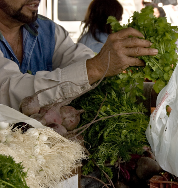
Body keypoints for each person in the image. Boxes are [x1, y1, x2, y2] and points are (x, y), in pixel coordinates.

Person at [0, 0, 158, 111]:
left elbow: (81, 61)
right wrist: (97, 67)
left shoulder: (48, 30)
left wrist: (152, 92)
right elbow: (11, 91)